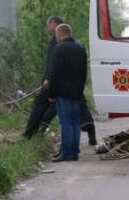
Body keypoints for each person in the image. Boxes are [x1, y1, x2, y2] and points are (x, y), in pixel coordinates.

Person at [22, 15, 97, 145]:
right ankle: (90, 132)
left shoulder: (57, 41)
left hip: (56, 83)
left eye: (48, 25)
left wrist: (48, 80)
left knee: (39, 105)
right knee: (79, 104)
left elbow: (53, 62)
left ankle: (30, 135)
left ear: (54, 24)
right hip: (73, 85)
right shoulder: (77, 44)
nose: (48, 29)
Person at [48, 24, 87, 162]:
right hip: (77, 91)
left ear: (59, 34)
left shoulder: (60, 48)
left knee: (65, 122)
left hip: (63, 92)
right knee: (75, 122)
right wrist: (80, 90)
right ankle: (74, 152)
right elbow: (84, 72)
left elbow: (54, 73)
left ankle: (66, 152)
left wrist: (51, 93)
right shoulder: (80, 47)